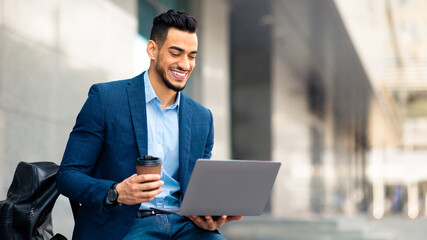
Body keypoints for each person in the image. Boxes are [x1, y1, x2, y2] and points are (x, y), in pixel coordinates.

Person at [57, 9, 241, 240]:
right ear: (152, 50)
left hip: (186, 227)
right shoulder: (105, 99)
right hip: (126, 226)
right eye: (176, 53)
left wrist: (210, 213)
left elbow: (197, 188)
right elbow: (68, 176)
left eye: (192, 56)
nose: (185, 64)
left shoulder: (203, 117)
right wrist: (116, 192)